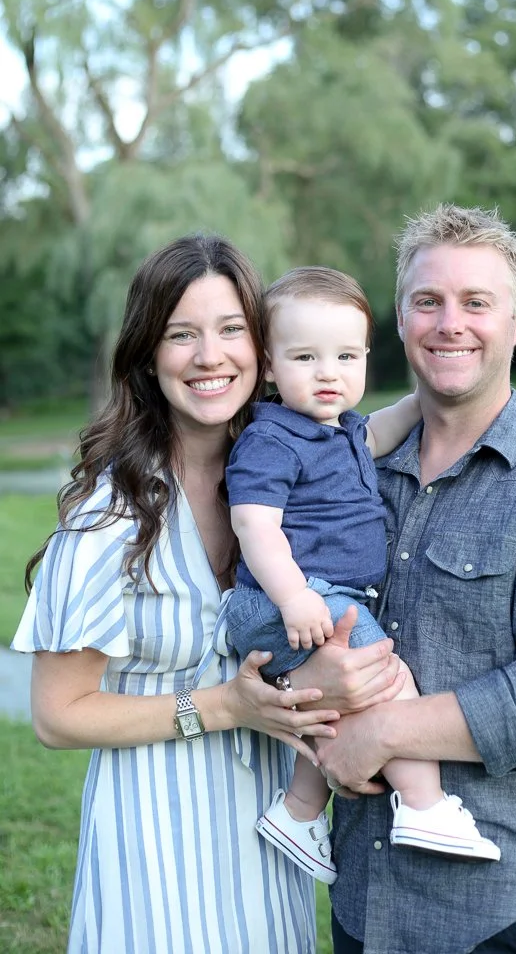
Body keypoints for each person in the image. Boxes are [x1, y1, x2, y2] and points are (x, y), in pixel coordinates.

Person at [11, 234, 401, 954]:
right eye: (179, 335)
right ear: (146, 355)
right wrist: (223, 707)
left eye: (230, 331)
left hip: (271, 832)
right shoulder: (113, 516)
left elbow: (376, 432)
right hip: (157, 844)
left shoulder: (287, 478)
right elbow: (57, 717)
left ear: (265, 348)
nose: (210, 356)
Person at [312, 204, 516, 954]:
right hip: (364, 897)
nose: (448, 323)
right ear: (399, 319)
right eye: (427, 301)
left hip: (501, 906)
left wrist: (383, 730)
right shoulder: (353, 479)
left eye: (475, 303)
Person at [219, 266, 500, 887]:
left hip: (323, 597)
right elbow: (254, 525)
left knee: (333, 704)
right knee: (387, 680)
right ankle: (426, 807)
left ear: (366, 358)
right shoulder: (272, 439)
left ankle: (298, 814)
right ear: (268, 366)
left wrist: (426, 398)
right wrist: (293, 597)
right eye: (306, 357)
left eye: (346, 356)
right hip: (288, 597)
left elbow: (379, 430)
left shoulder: (340, 430)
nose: (328, 372)